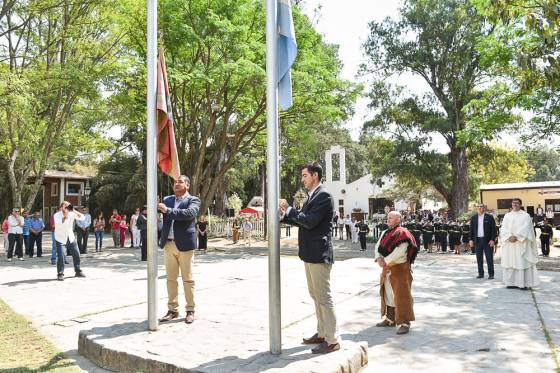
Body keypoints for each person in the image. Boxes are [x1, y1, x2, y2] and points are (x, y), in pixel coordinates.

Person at [280, 162, 340, 354]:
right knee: (316, 296)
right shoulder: (313, 196)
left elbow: (310, 221)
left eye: (305, 175)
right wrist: (285, 215)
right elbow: (303, 219)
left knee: (324, 297)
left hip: (319, 253)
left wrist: (290, 210)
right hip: (310, 253)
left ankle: (332, 340)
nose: (302, 179)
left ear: (315, 176)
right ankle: (322, 332)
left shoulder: (323, 195)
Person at [158, 175, 201, 324]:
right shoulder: (167, 200)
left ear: (187, 186)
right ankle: (172, 310)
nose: (176, 184)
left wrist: (168, 211)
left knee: (188, 279)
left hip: (185, 245)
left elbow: (189, 214)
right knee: (170, 279)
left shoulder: (193, 200)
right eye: (175, 182)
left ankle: (190, 310)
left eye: (180, 182)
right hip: (169, 244)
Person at [374, 211, 418, 335]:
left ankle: (404, 323)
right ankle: (390, 319)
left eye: (391, 218)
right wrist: (378, 258)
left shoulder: (403, 233)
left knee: (402, 295)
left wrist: (385, 261)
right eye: (388, 217)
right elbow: (377, 246)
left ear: (398, 219)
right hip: (387, 268)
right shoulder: (385, 232)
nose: (388, 220)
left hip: (400, 269)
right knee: (388, 294)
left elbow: (400, 251)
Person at [500, 198, 540, 289]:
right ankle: (511, 283)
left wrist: (517, 236)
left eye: (517, 203)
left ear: (521, 205)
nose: (515, 204)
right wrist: (509, 236)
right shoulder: (507, 215)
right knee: (510, 262)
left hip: (521, 243)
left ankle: (523, 284)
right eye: (513, 203)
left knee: (521, 262)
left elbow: (527, 228)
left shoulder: (525, 216)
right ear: (511, 204)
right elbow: (504, 228)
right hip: (510, 243)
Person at [53, 201, 86, 281]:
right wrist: (65, 215)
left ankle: (77, 271)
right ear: (61, 207)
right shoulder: (56, 215)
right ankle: (60, 274)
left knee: (77, 253)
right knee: (61, 256)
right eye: (66, 206)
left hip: (70, 237)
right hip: (60, 238)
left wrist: (73, 210)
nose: (67, 208)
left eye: (68, 206)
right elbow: (60, 224)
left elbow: (82, 217)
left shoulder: (72, 213)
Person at [469, 203, 497, 280]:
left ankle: (491, 274)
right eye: (478, 206)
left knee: (489, 258)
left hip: (487, 240)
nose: (480, 208)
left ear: (484, 208)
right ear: (476, 208)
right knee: (479, 258)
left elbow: (493, 230)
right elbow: (471, 230)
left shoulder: (489, 217)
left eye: (481, 206)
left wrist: (492, 240)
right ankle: (480, 273)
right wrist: (471, 240)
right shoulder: (473, 218)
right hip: (477, 240)